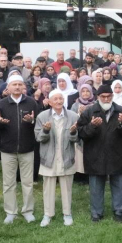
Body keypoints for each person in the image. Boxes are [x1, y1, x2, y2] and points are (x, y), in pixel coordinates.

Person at [77, 84, 122, 223]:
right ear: (98, 97)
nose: (106, 99)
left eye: (109, 96)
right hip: (95, 155)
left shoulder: (121, 111)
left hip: (116, 154)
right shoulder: (89, 112)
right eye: (103, 97)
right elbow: (81, 133)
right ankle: (97, 213)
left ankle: (120, 211)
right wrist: (92, 126)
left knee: (119, 185)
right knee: (96, 186)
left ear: (112, 96)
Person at [0, 74, 39, 224]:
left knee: (27, 182)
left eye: (20, 84)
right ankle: (11, 212)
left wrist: (31, 121)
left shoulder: (31, 103)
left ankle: (27, 210)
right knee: (8, 183)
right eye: (14, 85)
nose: (17, 87)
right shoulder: (2, 104)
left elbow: (38, 123)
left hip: (27, 148)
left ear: (24, 87)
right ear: (8, 87)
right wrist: (0, 123)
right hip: (7, 148)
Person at [35, 89, 79, 227]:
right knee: (48, 187)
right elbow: (39, 138)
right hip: (49, 157)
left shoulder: (73, 116)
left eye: (61, 98)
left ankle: (67, 214)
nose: (59, 101)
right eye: (56, 99)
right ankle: (48, 214)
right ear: (49, 101)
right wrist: (46, 131)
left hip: (66, 156)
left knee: (67, 187)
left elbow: (77, 138)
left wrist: (73, 133)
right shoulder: (42, 116)